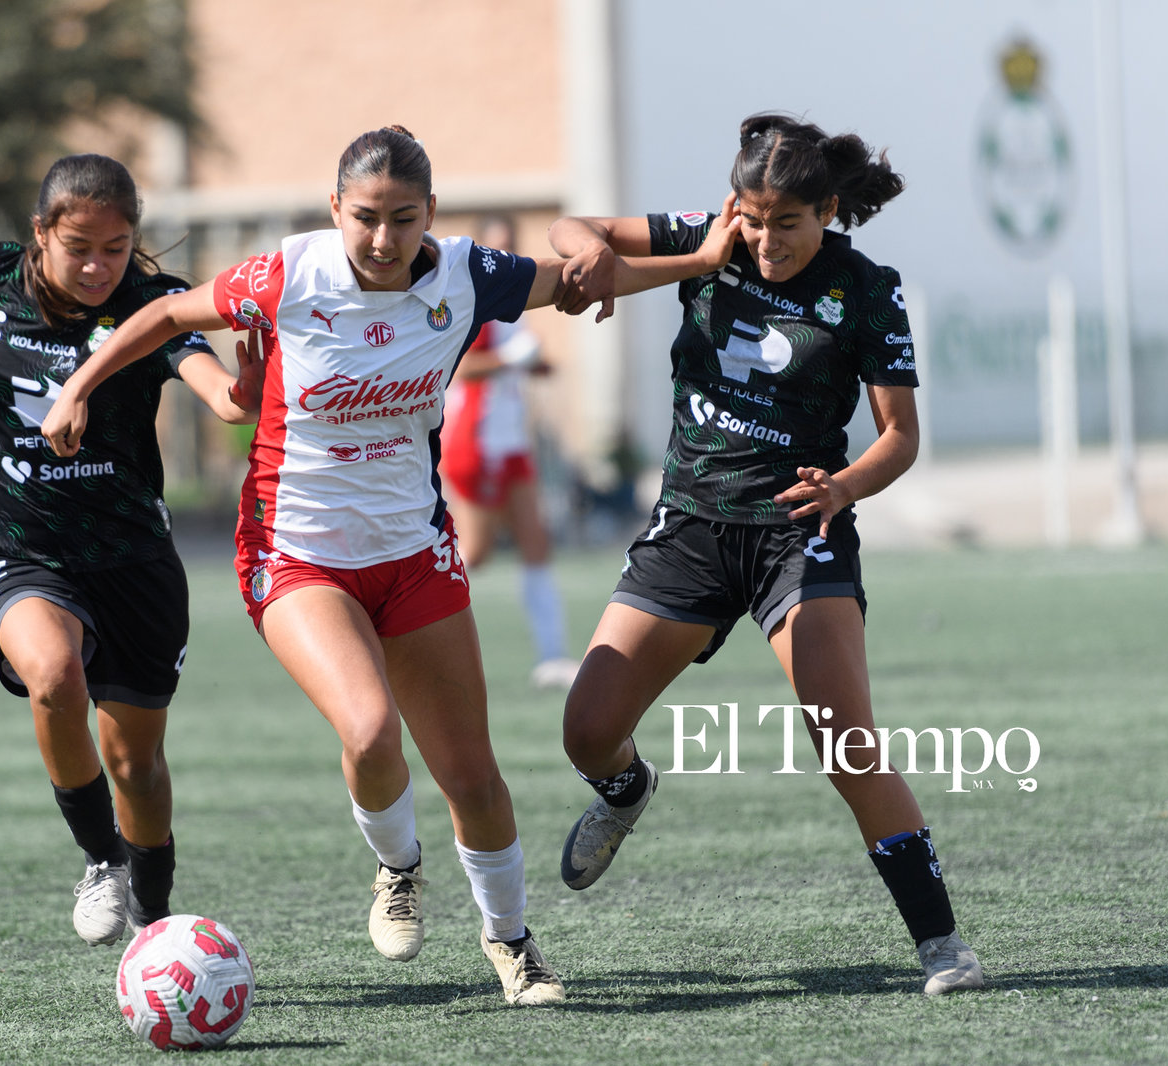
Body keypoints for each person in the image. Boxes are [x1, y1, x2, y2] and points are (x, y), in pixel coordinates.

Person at [41, 126, 728, 1005]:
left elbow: (579, 280)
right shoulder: (290, 272)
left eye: (403, 219)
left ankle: (513, 944)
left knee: (472, 775)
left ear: (429, 215)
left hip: (413, 551)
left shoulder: (467, 274)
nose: (381, 238)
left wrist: (698, 259)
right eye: (364, 217)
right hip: (295, 553)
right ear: (336, 212)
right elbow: (172, 314)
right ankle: (397, 866)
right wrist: (79, 386)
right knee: (369, 732)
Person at [547, 112, 984, 995]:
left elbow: (899, 437)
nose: (765, 239)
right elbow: (577, 229)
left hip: (801, 531)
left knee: (845, 743)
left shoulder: (867, 289)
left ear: (828, 210)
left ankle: (942, 945)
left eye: (786, 223)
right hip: (692, 528)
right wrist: (621, 258)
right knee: (587, 731)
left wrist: (845, 488)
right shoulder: (712, 241)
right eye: (751, 218)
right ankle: (628, 793)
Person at [0, 154, 261, 947]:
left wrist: (248, 389)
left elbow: (221, 397)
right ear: (41, 234)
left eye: (118, 245)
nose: (100, 265)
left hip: (133, 564)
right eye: (80, 246)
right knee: (55, 675)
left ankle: (154, 920)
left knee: (135, 765)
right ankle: (101, 858)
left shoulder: (152, 303)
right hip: (18, 549)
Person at [438, 214, 582, 691]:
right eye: (496, 245)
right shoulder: (468, 301)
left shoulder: (513, 298)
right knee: (472, 554)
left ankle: (553, 657)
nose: (504, 254)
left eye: (511, 245)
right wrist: (511, 359)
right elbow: (458, 369)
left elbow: (515, 362)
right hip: (474, 440)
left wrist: (533, 363)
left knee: (536, 544)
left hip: (512, 438)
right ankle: (419, 640)